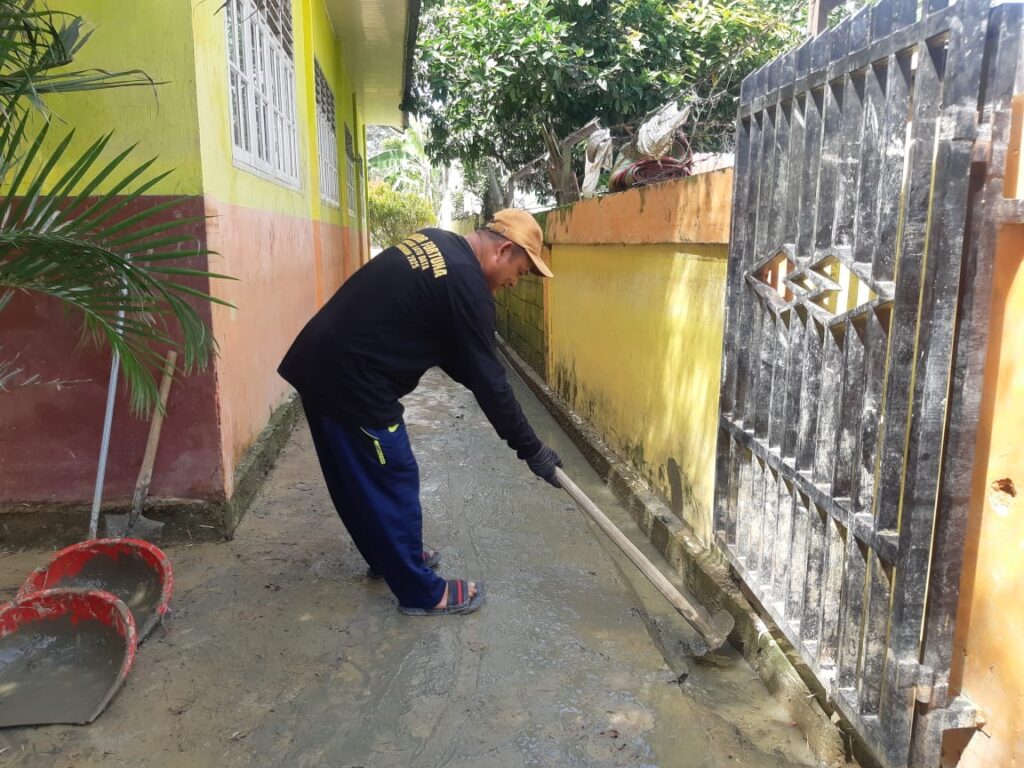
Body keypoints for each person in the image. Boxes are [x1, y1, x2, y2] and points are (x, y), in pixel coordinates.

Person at [278, 209, 563, 617]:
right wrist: (531, 448)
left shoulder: (438, 242)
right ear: (503, 250)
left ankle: (390, 558)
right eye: (519, 272)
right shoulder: (468, 285)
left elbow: (456, 354)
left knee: (354, 480)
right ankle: (423, 593)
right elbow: (491, 382)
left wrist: (488, 390)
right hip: (354, 382)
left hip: (319, 362)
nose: (513, 284)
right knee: (393, 475)